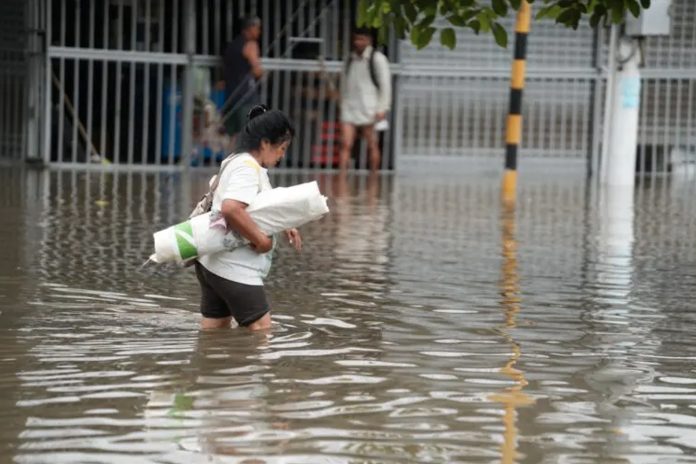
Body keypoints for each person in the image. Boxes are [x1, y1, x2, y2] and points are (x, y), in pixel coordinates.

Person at [195, 105, 301, 331]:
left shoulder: (236, 160)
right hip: (233, 267)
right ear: (264, 143)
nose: (282, 155)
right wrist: (262, 241)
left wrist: (285, 225)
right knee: (262, 330)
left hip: (210, 263)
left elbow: (259, 204)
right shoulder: (248, 168)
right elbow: (231, 208)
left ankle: (207, 366)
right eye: (281, 149)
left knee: (214, 332)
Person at [339, 27, 392, 172]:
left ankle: (374, 178)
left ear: (369, 40)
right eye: (356, 39)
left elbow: (385, 86)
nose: (358, 42)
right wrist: (343, 102)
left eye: (361, 39)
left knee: (372, 145)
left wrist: (382, 108)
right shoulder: (349, 59)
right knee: (345, 144)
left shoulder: (378, 59)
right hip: (350, 107)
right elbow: (344, 82)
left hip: (370, 107)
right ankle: (342, 178)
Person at [221, 17, 264, 141]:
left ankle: (231, 159)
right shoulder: (251, 45)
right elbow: (256, 70)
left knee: (232, 135)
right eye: (257, 28)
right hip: (246, 95)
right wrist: (263, 72)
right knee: (249, 134)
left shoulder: (231, 46)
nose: (259, 32)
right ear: (250, 28)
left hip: (231, 95)